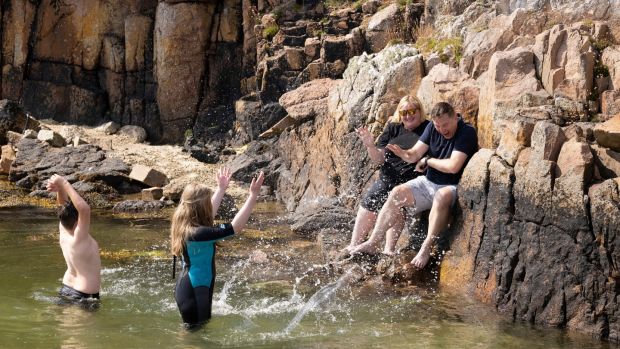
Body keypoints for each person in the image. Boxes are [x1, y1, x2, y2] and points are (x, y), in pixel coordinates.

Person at [351, 102, 478, 268]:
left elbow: (453, 166)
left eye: (445, 124)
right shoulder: (433, 127)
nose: (442, 129)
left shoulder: (466, 132)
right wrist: (403, 153)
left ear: (456, 117)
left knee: (442, 196)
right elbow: (414, 155)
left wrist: (427, 161)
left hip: (451, 186)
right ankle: (373, 242)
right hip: (428, 182)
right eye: (438, 125)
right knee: (397, 192)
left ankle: (426, 248)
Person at [170, 167, 265, 329]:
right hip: (195, 290)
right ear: (201, 206)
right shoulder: (197, 233)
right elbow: (236, 227)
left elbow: (208, 216)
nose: (209, 204)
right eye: (207, 201)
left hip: (192, 288)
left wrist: (221, 189)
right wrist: (253, 195)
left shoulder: (187, 223)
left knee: (194, 333)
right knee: (196, 335)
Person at [342, 95, 429, 256]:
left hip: (409, 181)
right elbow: (379, 159)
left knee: (397, 203)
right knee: (369, 202)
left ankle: (388, 249)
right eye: (404, 112)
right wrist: (369, 144)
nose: (408, 116)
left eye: (412, 111)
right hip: (388, 177)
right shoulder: (393, 128)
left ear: (419, 111)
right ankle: (354, 245)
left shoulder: (428, 128)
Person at [46, 174, 101, 308]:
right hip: (83, 295)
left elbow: (62, 206)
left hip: (66, 288)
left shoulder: (63, 230)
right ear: (78, 221)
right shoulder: (79, 237)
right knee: (80, 329)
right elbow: (84, 209)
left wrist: (59, 189)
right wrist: (63, 182)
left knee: (65, 327)